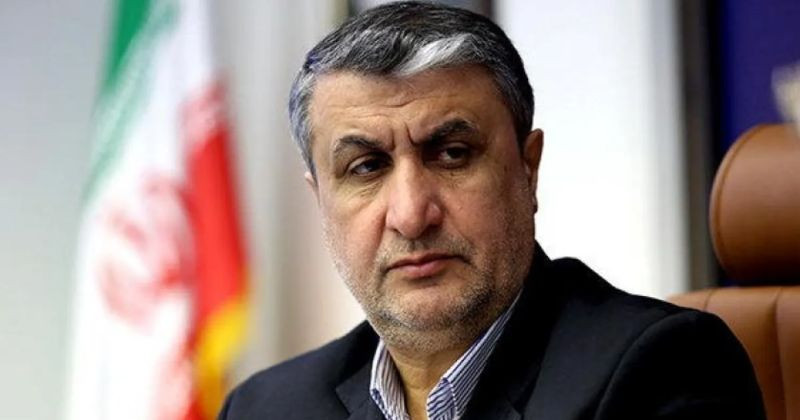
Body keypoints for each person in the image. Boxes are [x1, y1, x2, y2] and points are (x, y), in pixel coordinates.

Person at [218, 2, 765, 419]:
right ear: (320, 201)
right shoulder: (265, 407)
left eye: (452, 154)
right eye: (366, 167)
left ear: (528, 169)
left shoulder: (661, 369)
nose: (411, 215)